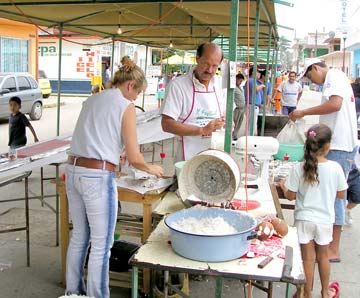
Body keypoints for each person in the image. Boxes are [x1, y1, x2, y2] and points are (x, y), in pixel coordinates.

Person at [65, 56, 164, 298]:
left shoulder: (92, 99)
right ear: (130, 86)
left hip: (73, 170)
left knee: (79, 236)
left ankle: (73, 292)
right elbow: (134, 157)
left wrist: (112, 151)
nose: (136, 99)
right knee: (101, 245)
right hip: (96, 177)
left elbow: (95, 136)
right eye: (137, 93)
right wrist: (153, 169)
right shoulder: (124, 105)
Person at [289, 58, 357, 262]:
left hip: (339, 145)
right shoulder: (335, 79)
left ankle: (332, 249)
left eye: (310, 76)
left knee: (336, 197)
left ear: (316, 68)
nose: (313, 81)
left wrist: (303, 112)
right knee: (331, 195)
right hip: (337, 144)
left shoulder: (334, 76)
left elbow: (335, 105)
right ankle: (325, 243)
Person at [280, 124, 346, 298]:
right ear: (327, 146)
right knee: (323, 257)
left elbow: (290, 196)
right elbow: (341, 194)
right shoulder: (336, 168)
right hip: (325, 220)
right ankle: (325, 293)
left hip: (304, 219)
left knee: (308, 259)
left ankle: (306, 294)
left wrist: (283, 186)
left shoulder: (298, 167)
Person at [161, 42, 226, 161]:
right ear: (197, 58)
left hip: (216, 155)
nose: (210, 70)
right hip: (188, 157)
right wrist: (202, 130)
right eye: (206, 64)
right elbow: (166, 124)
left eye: (215, 66)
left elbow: (227, 117)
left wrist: (228, 123)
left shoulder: (221, 84)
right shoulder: (178, 85)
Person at [244, 67, 266, 135]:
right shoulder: (251, 80)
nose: (259, 74)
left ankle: (250, 136)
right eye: (258, 72)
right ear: (253, 72)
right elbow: (256, 89)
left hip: (254, 106)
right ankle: (249, 137)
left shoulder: (253, 81)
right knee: (251, 124)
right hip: (252, 106)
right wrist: (262, 85)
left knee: (252, 123)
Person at [232, 73, 245, 140]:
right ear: (236, 79)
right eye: (239, 81)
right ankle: (232, 135)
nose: (240, 82)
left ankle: (235, 135)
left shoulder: (239, 88)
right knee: (235, 122)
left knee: (239, 123)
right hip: (237, 109)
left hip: (242, 109)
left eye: (241, 81)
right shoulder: (233, 87)